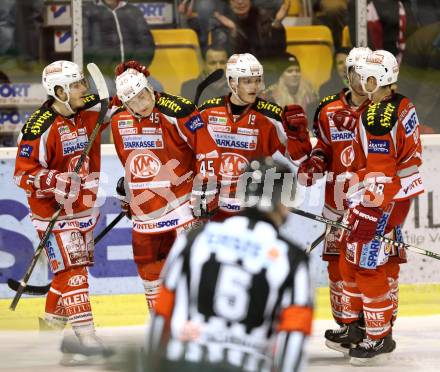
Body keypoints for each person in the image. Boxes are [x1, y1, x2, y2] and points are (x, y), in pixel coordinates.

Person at [146, 157, 313, 372]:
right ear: (283, 200)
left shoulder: (194, 239)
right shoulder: (292, 258)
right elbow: (294, 336)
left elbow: (162, 316)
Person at [13, 60, 117, 363]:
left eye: (82, 82)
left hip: (84, 209)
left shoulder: (87, 110)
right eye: (76, 85)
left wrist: (127, 80)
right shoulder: (38, 126)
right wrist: (54, 180)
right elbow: (22, 174)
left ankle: (47, 342)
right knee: (72, 273)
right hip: (53, 215)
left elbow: (121, 108)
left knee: (67, 275)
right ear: (59, 91)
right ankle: (87, 337)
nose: (83, 88)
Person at [326, 50, 424, 365]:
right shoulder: (401, 103)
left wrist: (370, 207)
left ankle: (378, 336)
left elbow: (382, 168)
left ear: (379, 77)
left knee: (366, 262)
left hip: (385, 197)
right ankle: (357, 327)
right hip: (391, 192)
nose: (360, 79)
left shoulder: (378, 114)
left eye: (367, 74)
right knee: (348, 255)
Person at [111, 61, 220, 312]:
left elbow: (208, 152)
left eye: (143, 95)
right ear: (124, 105)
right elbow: (129, 162)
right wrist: (130, 192)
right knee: (150, 273)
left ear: (150, 88)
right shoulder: (118, 122)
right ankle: (162, 332)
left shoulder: (178, 110)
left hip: (184, 205)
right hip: (147, 213)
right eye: (134, 102)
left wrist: (207, 188)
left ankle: (201, 332)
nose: (142, 104)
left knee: (194, 269)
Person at [297, 47, 372, 353]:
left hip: (371, 206)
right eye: (358, 72)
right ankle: (348, 326)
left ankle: (375, 326)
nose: (364, 80)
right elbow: (324, 147)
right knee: (337, 267)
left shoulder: (385, 109)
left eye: (370, 75)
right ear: (348, 73)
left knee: (371, 266)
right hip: (336, 203)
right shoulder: (328, 109)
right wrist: (316, 160)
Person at [198, 53, 312, 220]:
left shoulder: (271, 116)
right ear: (232, 82)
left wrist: (298, 136)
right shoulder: (207, 111)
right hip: (214, 204)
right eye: (247, 81)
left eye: (258, 80)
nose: (255, 87)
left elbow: (300, 160)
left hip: (252, 204)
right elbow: (192, 153)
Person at [210, 0, 287, 59]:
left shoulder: (261, 17)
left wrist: (277, 24)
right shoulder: (221, 22)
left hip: (263, 69)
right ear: (229, 2)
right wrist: (234, 32)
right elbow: (223, 58)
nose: (240, 2)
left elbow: (278, 51)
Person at [261, 53, 319, 121]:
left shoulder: (310, 94)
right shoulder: (269, 96)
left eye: (297, 71)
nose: (294, 74)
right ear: (281, 75)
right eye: (289, 71)